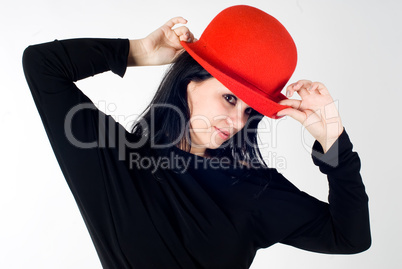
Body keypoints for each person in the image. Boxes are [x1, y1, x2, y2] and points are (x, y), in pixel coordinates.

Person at [22, 4, 371, 269]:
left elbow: (351, 238)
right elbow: (43, 65)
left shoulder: (254, 188)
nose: (237, 121)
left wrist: (333, 141)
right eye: (230, 98)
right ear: (191, 81)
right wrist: (138, 51)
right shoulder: (115, 161)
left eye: (250, 111)